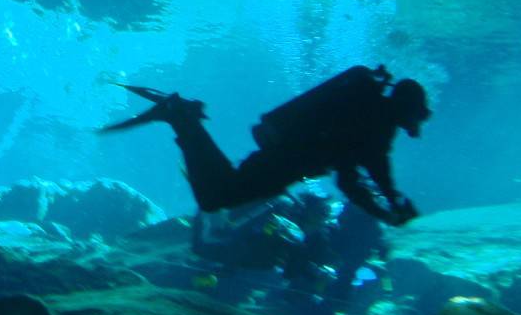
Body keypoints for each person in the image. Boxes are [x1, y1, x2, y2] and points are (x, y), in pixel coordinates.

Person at [101, 65, 429, 227]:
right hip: (287, 161)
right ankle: (181, 117)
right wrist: (387, 211)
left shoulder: (373, 117)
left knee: (221, 194)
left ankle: (182, 118)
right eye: (418, 115)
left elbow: (372, 171)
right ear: (407, 107)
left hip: (286, 157)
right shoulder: (376, 124)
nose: (416, 124)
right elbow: (355, 177)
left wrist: (390, 202)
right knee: (217, 197)